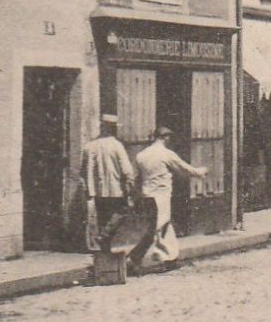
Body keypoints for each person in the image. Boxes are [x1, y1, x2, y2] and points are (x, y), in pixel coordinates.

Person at [131, 127, 208, 274]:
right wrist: (201, 172)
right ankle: (144, 258)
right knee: (160, 227)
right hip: (161, 196)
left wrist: (135, 195)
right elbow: (185, 169)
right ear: (165, 137)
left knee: (161, 227)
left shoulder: (141, 155)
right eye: (169, 138)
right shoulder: (166, 154)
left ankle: (165, 258)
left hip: (147, 195)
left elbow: (136, 177)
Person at [80, 114, 135, 254]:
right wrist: (131, 185)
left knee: (103, 218)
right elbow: (127, 169)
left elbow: (83, 170)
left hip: (97, 190)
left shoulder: (89, 146)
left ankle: (105, 250)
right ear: (113, 129)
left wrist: (88, 189)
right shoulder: (117, 146)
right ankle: (104, 237)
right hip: (116, 189)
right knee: (121, 212)